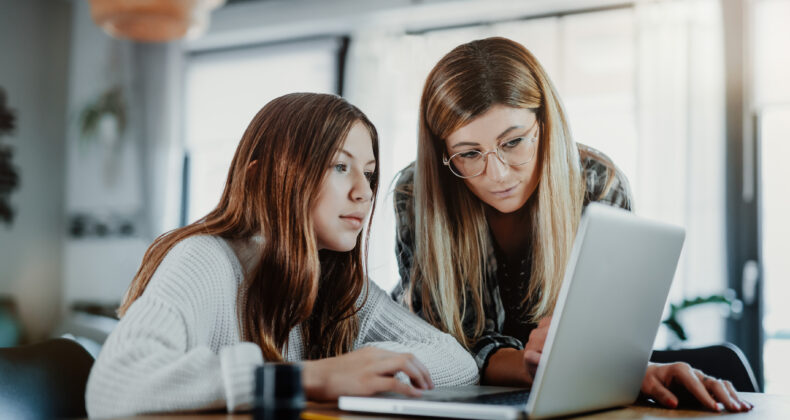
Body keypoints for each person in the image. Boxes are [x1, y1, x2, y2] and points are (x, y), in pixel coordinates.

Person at [392, 37, 751, 413]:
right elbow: (447, 348)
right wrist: (552, 368)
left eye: (513, 142)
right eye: (468, 154)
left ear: (545, 125)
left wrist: (591, 365)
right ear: (443, 153)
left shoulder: (597, 184)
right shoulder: (417, 194)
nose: (497, 174)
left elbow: (607, 340)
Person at [86, 93, 478, 418]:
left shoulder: (337, 285)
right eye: (340, 167)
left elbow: (458, 363)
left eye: (370, 173)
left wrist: (369, 363)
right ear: (262, 177)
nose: (364, 192)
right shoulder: (204, 259)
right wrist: (306, 377)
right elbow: (115, 385)